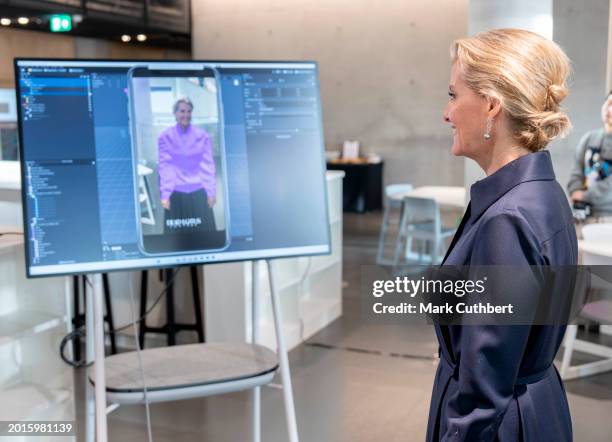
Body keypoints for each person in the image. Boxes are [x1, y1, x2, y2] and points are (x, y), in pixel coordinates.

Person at [428, 29, 576, 441]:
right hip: (538, 409)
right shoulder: (543, 192)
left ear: (492, 105)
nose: (447, 112)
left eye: (454, 95)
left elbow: (482, 397)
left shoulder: (506, 219)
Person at [158, 97, 217, 233]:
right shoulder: (165, 137)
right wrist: (165, 194)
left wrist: (211, 192)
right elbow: (165, 167)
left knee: (204, 236)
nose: (186, 115)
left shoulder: (202, 136)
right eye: (182, 111)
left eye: (189, 111)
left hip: (198, 192)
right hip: (176, 193)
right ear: (175, 113)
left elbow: (208, 165)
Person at [567, 91, 612, 229]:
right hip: (582, 215)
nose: (610, 109)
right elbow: (576, 172)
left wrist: (584, 195)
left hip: (608, 218)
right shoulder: (588, 138)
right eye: (609, 103)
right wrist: (575, 191)